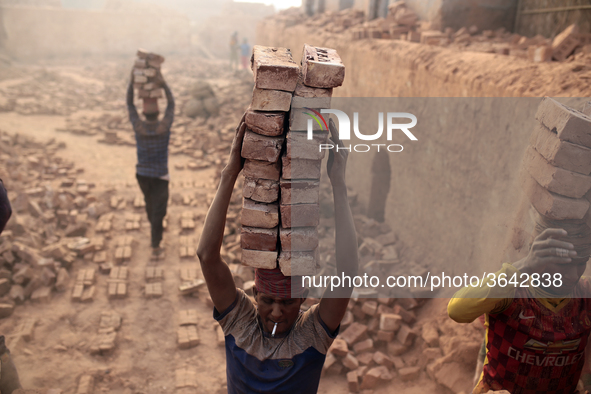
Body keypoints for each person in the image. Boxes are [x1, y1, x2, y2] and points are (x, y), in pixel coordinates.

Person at [197, 117, 358, 393]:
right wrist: (230, 173)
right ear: (254, 293)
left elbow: (347, 273)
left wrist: (338, 184)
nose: (276, 312)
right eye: (268, 300)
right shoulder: (241, 324)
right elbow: (206, 256)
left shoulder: (310, 336)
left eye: (288, 302)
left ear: (303, 299)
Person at [448, 228, 591, 394]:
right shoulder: (511, 291)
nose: (572, 275)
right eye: (562, 264)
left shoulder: (585, 293)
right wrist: (524, 267)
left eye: (581, 262)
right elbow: (456, 310)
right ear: (538, 256)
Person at [126, 68, 174, 259]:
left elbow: (129, 105)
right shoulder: (164, 127)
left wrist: (131, 82)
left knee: (150, 204)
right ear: (158, 112)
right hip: (160, 176)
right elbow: (172, 104)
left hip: (143, 175)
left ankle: (156, 230)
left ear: (144, 114)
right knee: (159, 211)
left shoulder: (139, 127)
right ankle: (155, 245)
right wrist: (163, 83)